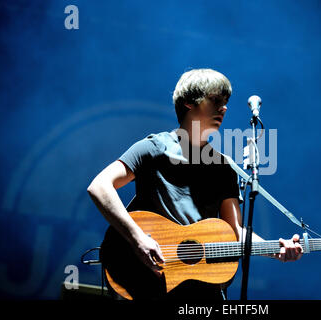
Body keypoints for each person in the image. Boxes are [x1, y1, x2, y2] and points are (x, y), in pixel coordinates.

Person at [87, 68, 303, 300]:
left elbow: (235, 231)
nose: (224, 108)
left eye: (226, 102)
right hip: (150, 278)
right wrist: (137, 238)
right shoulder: (153, 148)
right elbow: (99, 186)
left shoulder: (223, 167)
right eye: (215, 100)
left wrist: (275, 249)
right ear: (189, 103)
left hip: (198, 288)